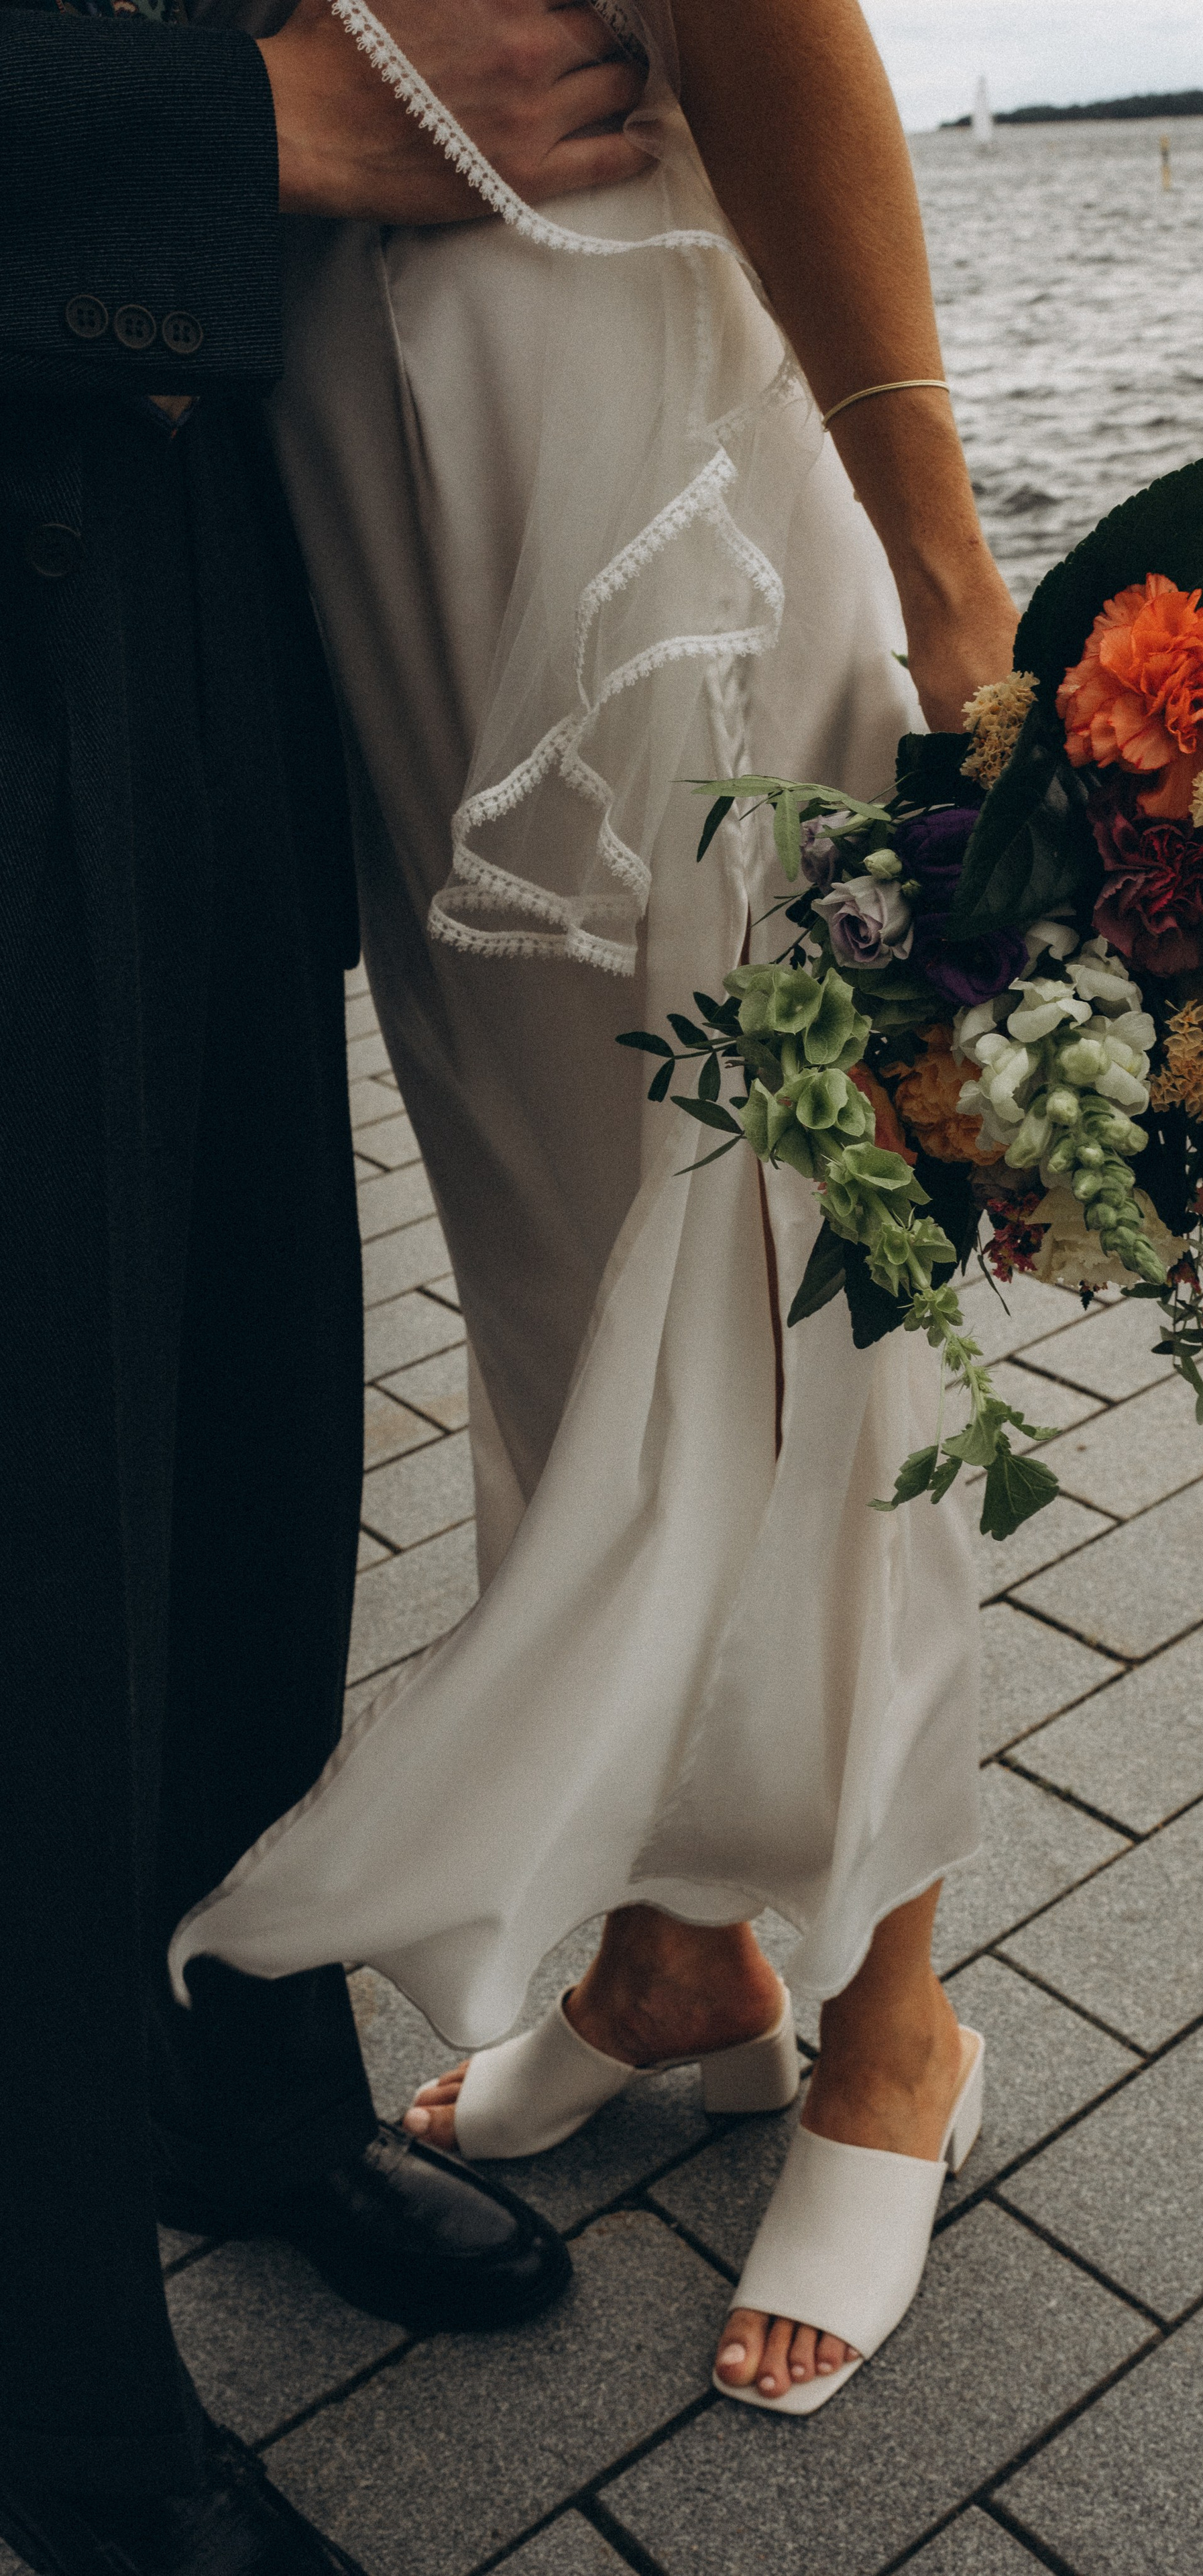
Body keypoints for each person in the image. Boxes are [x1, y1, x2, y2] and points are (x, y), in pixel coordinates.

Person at [171, 0, 1020, 2414]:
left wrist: (947, 587)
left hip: (651, 468)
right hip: (369, 478)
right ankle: (675, 1960)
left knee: (792, 1265)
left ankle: (893, 2017)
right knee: (559, 1272)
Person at [0, 3, 653, 2568]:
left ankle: (227, 2089)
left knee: (254, 1385)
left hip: (196, 532)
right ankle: (60, 2397)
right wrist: (224, 128)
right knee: (43, 1498)